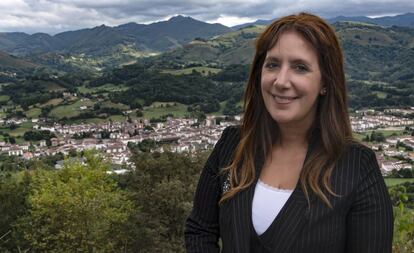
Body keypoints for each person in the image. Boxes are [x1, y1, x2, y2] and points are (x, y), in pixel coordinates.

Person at [185, 12, 393, 253]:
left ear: (325, 82)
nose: (281, 81)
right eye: (273, 64)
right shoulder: (232, 145)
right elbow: (200, 229)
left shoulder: (356, 166)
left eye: (300, 67)